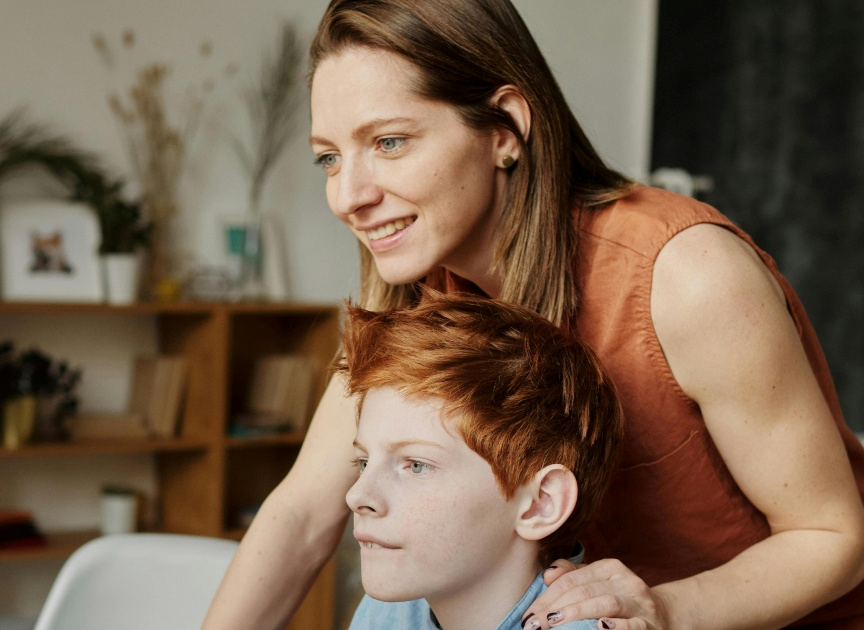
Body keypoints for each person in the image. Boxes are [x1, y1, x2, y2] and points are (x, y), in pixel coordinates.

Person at [201, 0, 864, 629]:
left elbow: (834, 537)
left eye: (391, 142)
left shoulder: (686, 277)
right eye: (329, 157)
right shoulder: (412, 289)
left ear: (506, 130)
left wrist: (666, 611)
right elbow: (303, 513)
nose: (348, 195)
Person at [337, 291, 623, 630]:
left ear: (540, 503)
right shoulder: (391, 612)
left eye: (416, 465)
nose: (356, 497)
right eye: (364, 462)